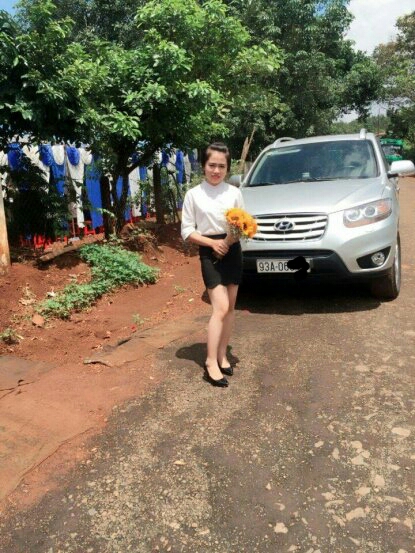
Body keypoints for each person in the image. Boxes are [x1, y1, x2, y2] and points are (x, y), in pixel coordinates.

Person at [181, 143, 244, 388]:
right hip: (209, 252)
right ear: (203, 166)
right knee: (220, 307)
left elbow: (242, 224)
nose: (216, 171)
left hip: (232, 250)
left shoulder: (234, 193)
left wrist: (228, 241)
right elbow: (187, 231)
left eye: (221, 166)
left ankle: (221, 355)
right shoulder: (193, 195)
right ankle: (210, 362)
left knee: (231, 308)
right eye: (212, 165)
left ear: (228, 168)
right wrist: (212, 243)